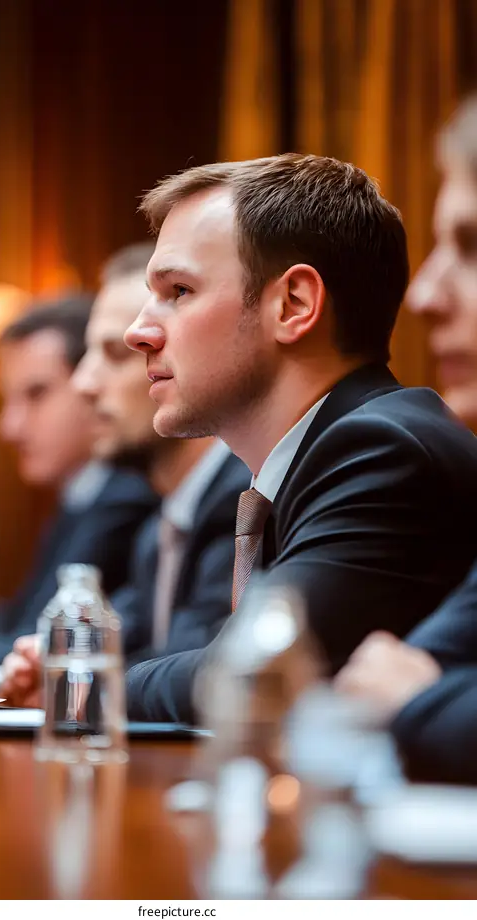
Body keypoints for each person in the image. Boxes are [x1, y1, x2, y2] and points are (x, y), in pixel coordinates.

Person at [116, 152, 477, 725]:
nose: (139, 331)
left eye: (179, 291)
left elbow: (246, 672)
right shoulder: (324, 452)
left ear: (294, 304)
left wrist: (87, 680)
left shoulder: (382, 450)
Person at [1, 244, 249, 704]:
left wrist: (77, 680)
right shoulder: (161, 523)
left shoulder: (243, 500)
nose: (84, 384)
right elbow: (122, 643)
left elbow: (209, 668)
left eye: (116, 353)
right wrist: (52, 662)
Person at [336, 96, 477, 785]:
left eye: (473, 247)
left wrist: (421, 705)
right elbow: (383, 676)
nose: (423, 296)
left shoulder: (383, 442)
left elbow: (401, 687)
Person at [0, 295, 158, 664]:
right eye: (7, 400)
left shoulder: (126, 496)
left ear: (88, 384)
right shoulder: (81, 495)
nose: (9, 428)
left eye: (36, 394)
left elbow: (39, 641)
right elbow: (24, 618)